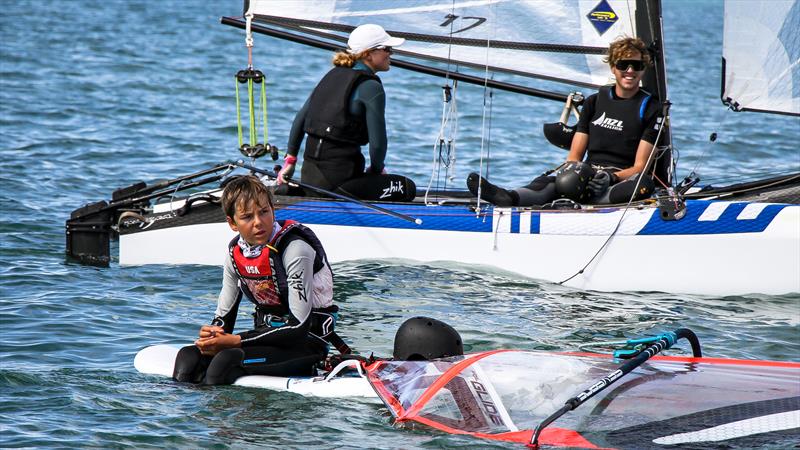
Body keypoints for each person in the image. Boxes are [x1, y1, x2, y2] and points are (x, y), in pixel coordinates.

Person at [173, 175, 347, 385]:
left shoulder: (295, 249)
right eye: (247, 217)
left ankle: (221, 417)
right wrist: (212, 334)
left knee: (225, 360)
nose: (258, 222)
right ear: (232, 223)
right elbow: (224, 320)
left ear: (273, 210)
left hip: (307, 344)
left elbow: (299, 327)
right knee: (188, 357)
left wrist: (236, 341)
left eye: (264, 212)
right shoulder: (235, 255)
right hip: (266, 339)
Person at [467, 36, 662, 207]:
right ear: (613, 67)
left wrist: (612, 177)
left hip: (619, 179)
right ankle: (508, 197)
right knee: (559, 181)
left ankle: (593, 200)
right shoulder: (595, 101)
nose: (630, 71)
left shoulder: (651, 108)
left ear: (643, 69)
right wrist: (577, 175)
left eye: (636, 65)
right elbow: (574, 157)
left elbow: (640, 166)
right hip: (586, 175)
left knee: (643, 184)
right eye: (623, 65)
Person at [278, 24, 416, 202]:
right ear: (368, 54)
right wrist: (376, 172)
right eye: (386, 49)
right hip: (339, 186)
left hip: (310, 179)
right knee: (407, 187)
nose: (391, 53)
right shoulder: (371, 87)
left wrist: (290, 162)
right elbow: (378, 144)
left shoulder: (331, 76)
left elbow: (299, 120)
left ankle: (299, 192)